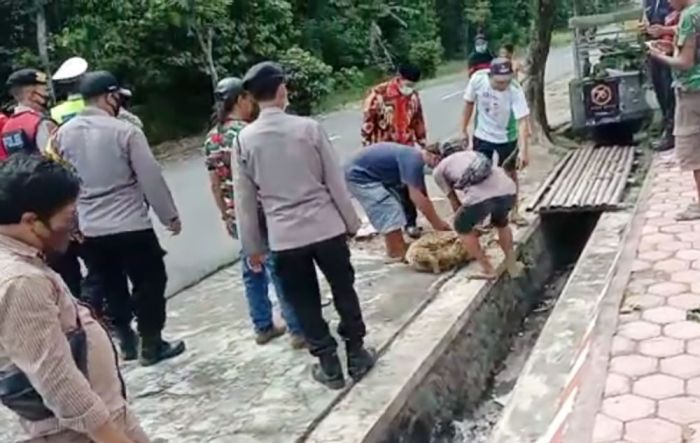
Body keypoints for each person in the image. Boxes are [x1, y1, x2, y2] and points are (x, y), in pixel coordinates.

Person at [235, 61, 376, 390]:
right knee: (344, 289)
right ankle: (356, 353)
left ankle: (329, 365)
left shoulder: (243, 140)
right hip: (326, 228)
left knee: (304, 301)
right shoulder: (308, 128)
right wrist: (352, 224)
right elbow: (335, 182)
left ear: (253, 98)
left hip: (285, 237)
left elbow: (245, 202)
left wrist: (253, 248)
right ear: (282, 89)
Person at [0, 155, 149, 443]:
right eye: (69, 217)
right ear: (31, 221)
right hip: (83, 433)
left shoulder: (24, 259)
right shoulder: (20, 281)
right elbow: (57, 381)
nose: (75, 227)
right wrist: (112, 437)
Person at [53, 71, 185, 365]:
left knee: (111, 285)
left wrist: (72, 225)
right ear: (108, 97)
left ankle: (126, 341)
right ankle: (151, 344)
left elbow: (62, 182)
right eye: (117, 97)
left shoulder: (62, 134)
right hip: (131, 223)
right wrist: (169, 216)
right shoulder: (125, 132)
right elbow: (150, 177)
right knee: (149, 281)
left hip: (91, 228)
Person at [203, 76, 304, 348]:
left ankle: (262, 325)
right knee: (277, 266)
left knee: (252, 268)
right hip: (262, 211)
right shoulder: (247, 133)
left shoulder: (212, 138)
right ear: (240, 100)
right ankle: (297, 328)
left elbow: (214, 184)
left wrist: (226, 214)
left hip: (237, 213)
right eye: (249, 98)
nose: (253, 104)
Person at [426, 141, 522, 279]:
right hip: (509, 190)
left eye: (427, 157)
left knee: (460, 226)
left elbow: (454, 201)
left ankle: (488, 269)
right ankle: (512, 264)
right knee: (501, 223)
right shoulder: (473, 154)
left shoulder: (438, 171)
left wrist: (469, 225)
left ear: (436, 157)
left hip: (481, 199)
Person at [345, 143, 452, 261]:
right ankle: (395, 251)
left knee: (393, 207)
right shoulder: (414, 160)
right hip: (359, 175)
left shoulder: (413, 158)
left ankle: (398, 244)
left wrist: (436, 221)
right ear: (434, 157)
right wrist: (437, 223)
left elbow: (422, 193)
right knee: (388, 208)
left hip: (366, 172)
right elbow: (417, 197)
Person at [461, 58, 530, 226]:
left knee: (510, 173)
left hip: (507, 137)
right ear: (490, 76)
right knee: (479, 174)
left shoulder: (514, 89)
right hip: (482, 135)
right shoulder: (478, 79)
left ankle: (513, 211)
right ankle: (480, 214)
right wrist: (463, 129)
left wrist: (523, 149)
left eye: (506, 81)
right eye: (499, 82)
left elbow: (522, 121)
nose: (503, 86)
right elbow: (468, 104)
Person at [361, 64, 427, 239]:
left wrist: (423, 143)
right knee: (393, 189)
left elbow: (418, 120)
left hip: (406, 148)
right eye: (408, 83)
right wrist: (368, 150)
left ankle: (411, 222)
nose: (410, 87)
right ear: (399, 77)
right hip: (384, 150)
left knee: (412, 186)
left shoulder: (413, 95)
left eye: (413, 84)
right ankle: (399, 226)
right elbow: (367, 124)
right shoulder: (378, 95)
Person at [649, 0, 700, 220]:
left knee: (694, 148)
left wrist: (658, 56)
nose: (668, 2)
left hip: (692, 91)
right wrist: (673, 47)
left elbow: (685, 63)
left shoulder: (689, 16)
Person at [643, 0, 677, 152]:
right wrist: (644, 26)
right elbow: (646, 16)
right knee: (661, 89)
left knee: (671, 91)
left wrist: (665, 30)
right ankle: (668, 126)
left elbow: (690, 22)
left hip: (674, 48)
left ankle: (672, 132)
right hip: (655, 48)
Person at [0, 69, 55, 159]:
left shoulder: (6, 128)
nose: (48, 95)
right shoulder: (41, 124)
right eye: (45, 91)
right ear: (31, 94)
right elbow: (54, 159)